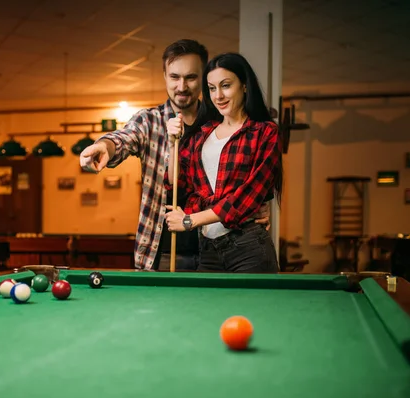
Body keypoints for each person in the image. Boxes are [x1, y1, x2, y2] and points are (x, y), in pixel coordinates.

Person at [79, 40, 270, 271]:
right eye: (174, 77)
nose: (182, 86)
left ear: (203, 78)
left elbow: (246, 173)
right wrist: (104, 146)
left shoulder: (219, 120)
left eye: (191, 77)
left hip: (214, 247)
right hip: (163, 251)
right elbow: (125, 138)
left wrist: (257, 206)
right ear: (164, 76)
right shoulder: (149, 120)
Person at [164, 52, 282, 273]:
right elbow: (177, 184)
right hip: (208, 249)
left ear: (244, 86)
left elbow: (247, 196)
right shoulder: (201, 135)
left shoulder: (264, 133)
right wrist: (172, 144)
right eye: (212, 88)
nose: (218, 95)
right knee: (203, 309)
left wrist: (190, 220)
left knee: (249, 310)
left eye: (226, 85)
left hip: (248, 247)